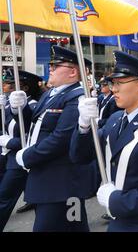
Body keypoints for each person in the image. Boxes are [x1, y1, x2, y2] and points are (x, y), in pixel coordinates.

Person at [71, 51, 138, 232]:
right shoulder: (115, 119)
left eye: (120, 83)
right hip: (119, 219)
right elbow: (80, 155)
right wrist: (83, 126)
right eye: (113, 83)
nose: (114, 89)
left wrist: (116, 200)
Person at [9, 46, 96, 232]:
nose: (50, 68)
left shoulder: (77, 98)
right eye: (51, 64)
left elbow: (60, 139)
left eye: (56, 65)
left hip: (62, 184)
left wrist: (27, 156)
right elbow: (36, 124)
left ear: (73, 71)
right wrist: (19, 108)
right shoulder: (51, 93)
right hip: (47, 180)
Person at [0, 70, 42, 231]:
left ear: (23, 88)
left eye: (9, 84)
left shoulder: (31, 107)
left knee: (4, 198)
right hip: (5, 155)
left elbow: (32, 137)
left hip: (18, 159)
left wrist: (11, 142)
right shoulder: (9, 104)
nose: (4, 86)